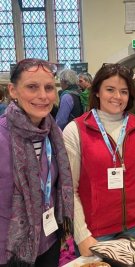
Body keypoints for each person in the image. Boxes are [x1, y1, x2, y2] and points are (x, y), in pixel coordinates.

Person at [63, 63, 135, 256]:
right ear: (97, 91)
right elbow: (69, 189)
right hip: (96, 233)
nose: (117, 97)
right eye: (110, 89)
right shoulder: (75, 131)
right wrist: (82, 234)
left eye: (123, 91)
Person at [0, 58, 73, 266]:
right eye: (32, 87)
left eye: (49, 87)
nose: (43, 96)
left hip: (48, 242)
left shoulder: (54, 134)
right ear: (13, 90)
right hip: (10, 251)